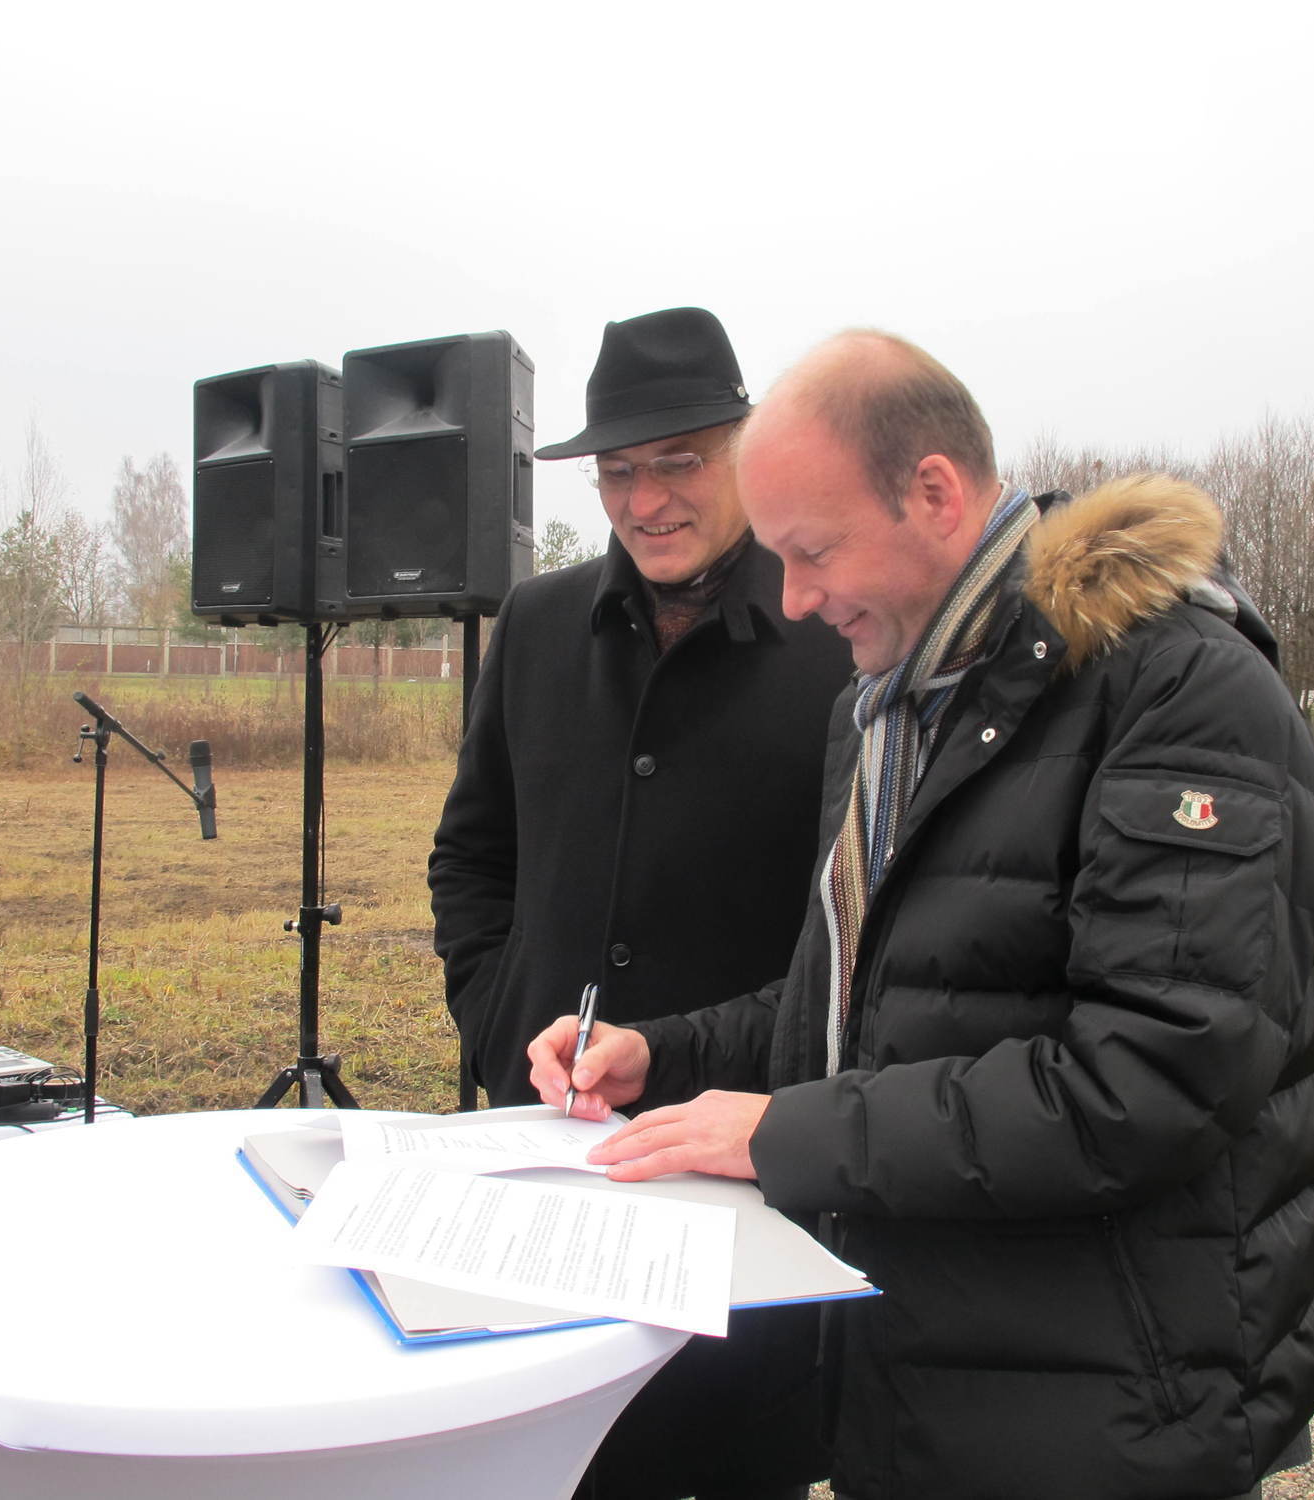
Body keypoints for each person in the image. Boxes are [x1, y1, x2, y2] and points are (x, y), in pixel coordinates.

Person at [531, 331, 1314, 1500]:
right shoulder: (885, 708)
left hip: (1103, 1416)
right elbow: (861, 1004)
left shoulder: (1177, 689)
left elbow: (1153, 1080)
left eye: (811, 552)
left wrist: (783, 1137)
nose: (793, 599)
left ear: (935, 494)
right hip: (916, 1384)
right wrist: (663, 1053)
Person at [428, 308, 853, 1499]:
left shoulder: (833, 637)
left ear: (747, 452)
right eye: (618, 471)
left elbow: (850, 930)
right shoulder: (536, 623)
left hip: (745, 1168)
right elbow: (471, 857)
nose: (645, 500)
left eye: (679, 462)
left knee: (737, 1462)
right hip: (550, 1153)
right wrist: (497, 1016)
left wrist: (773, 1098)